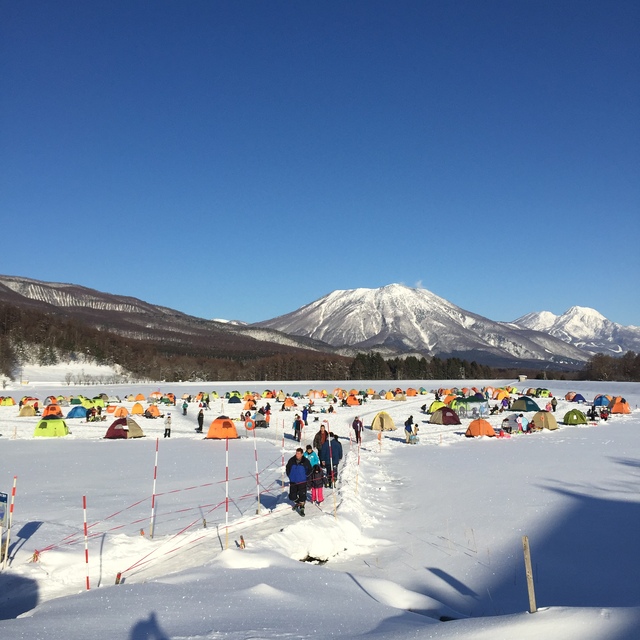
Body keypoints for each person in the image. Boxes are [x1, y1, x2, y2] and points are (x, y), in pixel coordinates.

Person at [286, 448, 312, 515]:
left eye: (298, 453)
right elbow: (287, 468)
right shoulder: (291, 460)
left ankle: (302, 508)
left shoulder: (305, 461)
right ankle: (298, 503)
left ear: (302, 454)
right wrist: (289, 475)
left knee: (302, 495)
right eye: (296, 453)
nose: (297, 455)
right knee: (292, 496)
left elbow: (310, 469)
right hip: (293, 481)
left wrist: (305, 476)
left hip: (302, 481)